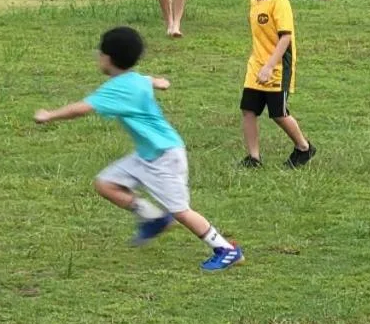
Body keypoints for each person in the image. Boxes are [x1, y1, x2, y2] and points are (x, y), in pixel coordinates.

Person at [33, 26, 244, 271]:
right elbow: (146, 79)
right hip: (147, 155)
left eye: (100, 53)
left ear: (108, 58)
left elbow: (81, 108)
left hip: (165, 156)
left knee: (181, 211)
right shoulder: (134, 79)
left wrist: (49, 115)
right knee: (105, 184)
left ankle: (226, 250)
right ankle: (154, 218)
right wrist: (159, 82)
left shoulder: (116, 89)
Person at [239, 0, 315, 169]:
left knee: (278, 114)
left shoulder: (279, 2)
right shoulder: (254, 1)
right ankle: (253, 158)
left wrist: (269, 66)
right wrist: (259, 65)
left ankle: (304, 148)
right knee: (248, 110)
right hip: (256, 66)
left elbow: (285, 38)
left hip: (277, 67)